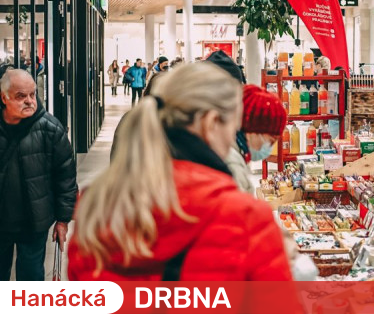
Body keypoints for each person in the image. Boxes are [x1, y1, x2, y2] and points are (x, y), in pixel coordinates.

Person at [69, 63, 292, 282]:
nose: (232, 139)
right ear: (210, 123)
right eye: (232, 128)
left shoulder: (94, 207)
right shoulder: (245, 218)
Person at [0, 69, 77, 281]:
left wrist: (63, 219)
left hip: (34, 221)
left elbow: (66, 178)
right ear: (3, 97)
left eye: (32, 94)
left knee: (31, 277)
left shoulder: (50, 129)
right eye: (20, 96)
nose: (29, 101)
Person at [225, 85, 287, 193]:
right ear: (253, 129)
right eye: (271, 141)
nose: (269, 148)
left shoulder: (233, 151)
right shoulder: (231, 163)